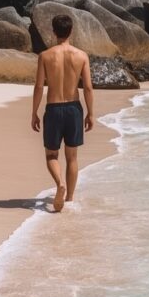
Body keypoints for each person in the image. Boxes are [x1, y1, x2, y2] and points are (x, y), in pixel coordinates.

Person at [31, 13, 94, 212]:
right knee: (72, 157)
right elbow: (89, 88)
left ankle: (59, 183)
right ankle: (70, 199)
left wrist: (34, 112)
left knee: (51, 155)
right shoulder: (81, 56)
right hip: (74, 109)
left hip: (54, 108)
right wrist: (90, 113)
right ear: (71, 31)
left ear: (53, 31)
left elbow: (39, 87)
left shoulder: (45, 56)